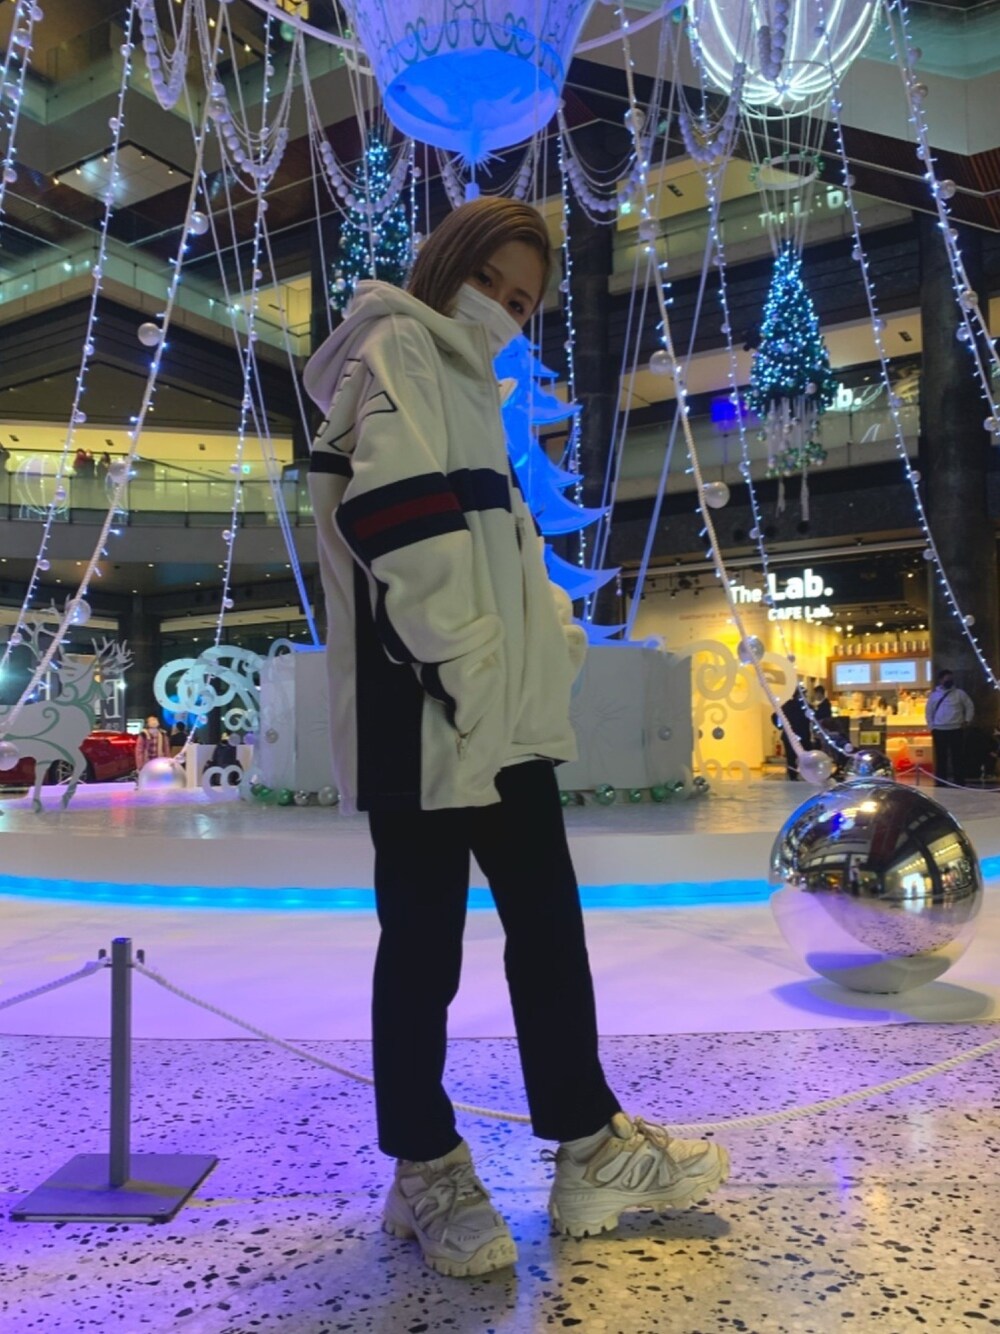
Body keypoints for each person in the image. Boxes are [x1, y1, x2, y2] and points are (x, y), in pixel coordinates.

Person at [304, 197, 729, 1280]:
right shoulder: (402, 348)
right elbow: (399, 529)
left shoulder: (458, 377)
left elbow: (491, 550)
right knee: (427, 948)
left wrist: (544, 650)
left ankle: (584, 1142)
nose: (502, 307)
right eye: (489, 281)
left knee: (539, 929)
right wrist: (478, 671)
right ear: (447, 265)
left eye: (523, 300)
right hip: (428, 715)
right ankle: (428, 1165)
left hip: (490, 719)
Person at [926, 668, 974, 787]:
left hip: (956, 729)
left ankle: (959, 780)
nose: (949, 681)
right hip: (939, 730)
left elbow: (969, 706)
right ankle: (941, 781)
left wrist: (967, 720)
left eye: (951, 679)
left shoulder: (960, 694)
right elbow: (928, 712)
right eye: (947, 679)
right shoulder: (934, 696)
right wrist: (931, 727)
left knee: (958, 756)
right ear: (941, 680)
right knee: (941, 757)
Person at [773, 689, 811, 780]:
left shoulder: (788, 705)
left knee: (791, 757)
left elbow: (775, 715)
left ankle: (793, 775)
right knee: (800, 756)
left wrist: (781, 726)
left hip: (790, 736)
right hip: (799, 736)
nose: (805, 697)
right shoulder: (802, 706)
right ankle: (800, 774)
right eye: (804, 695)